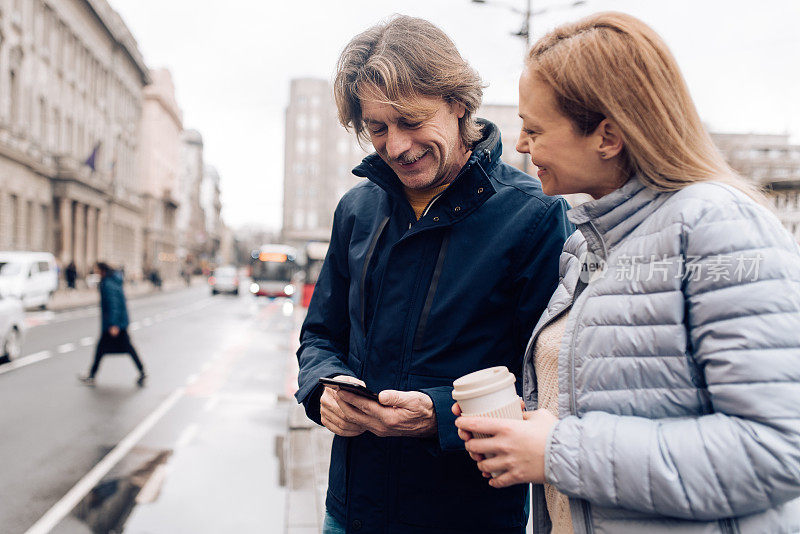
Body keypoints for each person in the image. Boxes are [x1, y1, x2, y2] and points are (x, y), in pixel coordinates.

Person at [454, 12, 800, 533]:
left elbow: (778, 450)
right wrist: (528, 429)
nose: (521, 144)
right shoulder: (588, 244)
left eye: (535, 128)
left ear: (608, 137)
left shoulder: (718, 227)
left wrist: (557, 450)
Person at [295, 15, 571, 534]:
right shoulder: (355, 209)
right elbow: (320, 335)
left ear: (459, 104)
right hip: (349, 511)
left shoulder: (533, 217)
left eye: (412, 121)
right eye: (377, 127)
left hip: (469, 517)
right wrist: (320, 390)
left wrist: (440, 414)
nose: (396, 145)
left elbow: (548, 385)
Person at [79, 262, 147, 387]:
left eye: (96, 270)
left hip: (115, 325)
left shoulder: (108, 284)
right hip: (116, 323)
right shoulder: (111, 281)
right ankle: (92, 374)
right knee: (104, 349)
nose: (95, 272)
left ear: (102, 270)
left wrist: (114, 324)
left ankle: (142, 372)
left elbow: (114, 304)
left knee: (122, 348)